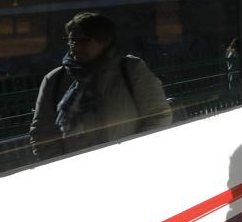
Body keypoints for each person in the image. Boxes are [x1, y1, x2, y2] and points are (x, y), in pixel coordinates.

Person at [30, 12, 171, 159]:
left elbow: (158, 117)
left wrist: (134, 158)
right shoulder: (54, 80)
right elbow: (42, 133)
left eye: (83, 41)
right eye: (71, 40)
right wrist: (61, 168)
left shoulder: (131, 70)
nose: (75, 47)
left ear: (105, 41)